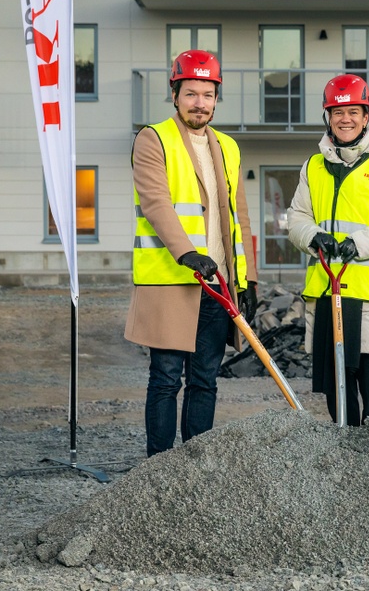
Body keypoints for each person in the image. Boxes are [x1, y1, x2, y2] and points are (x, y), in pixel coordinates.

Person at [125, 49, 259, 457]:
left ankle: (194, 470)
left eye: (207, 94)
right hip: (171, 280)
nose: (200, 102)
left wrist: (248, 278)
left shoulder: (229, 148)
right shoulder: (153, 138)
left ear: (217, 97)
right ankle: (159, 467)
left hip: (218, 286)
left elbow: (240, 217)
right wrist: (186, 252)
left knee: (205, 380)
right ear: (175, 94)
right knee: (165, 378)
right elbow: (156, 203)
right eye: (191, 93)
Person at [287, 73, 369, 426]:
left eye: (353, 112)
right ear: (327, 116)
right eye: (337, 112)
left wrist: (357, 244)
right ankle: (346, 452)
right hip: (328, 290)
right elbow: (297, 216)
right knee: (335, 385)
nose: (345, 119)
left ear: (366, 116)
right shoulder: (313, 166)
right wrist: (313, 236)